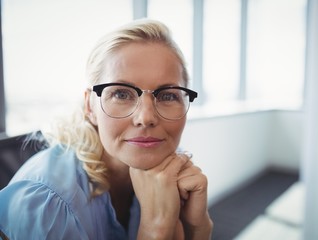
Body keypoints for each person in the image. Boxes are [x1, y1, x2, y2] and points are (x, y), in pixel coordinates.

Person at [0, 18, 213, 239]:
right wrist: (155, 228)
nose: (146, 117)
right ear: (90, 106)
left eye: (168, 95)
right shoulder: (46, 202)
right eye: (121, 94)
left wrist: (198, 227)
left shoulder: (168, 170)